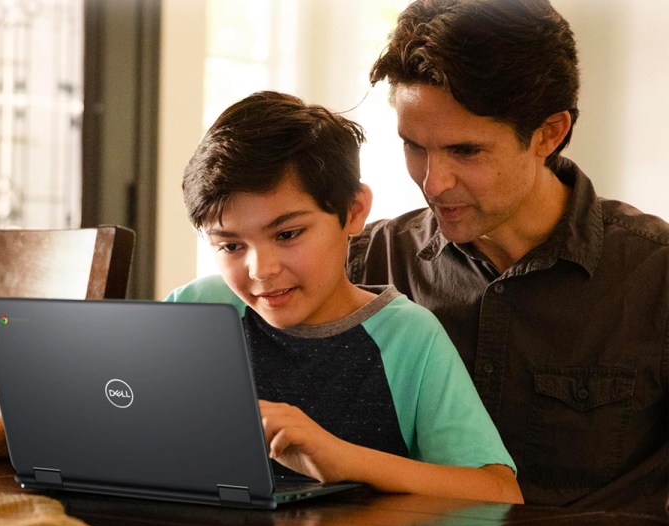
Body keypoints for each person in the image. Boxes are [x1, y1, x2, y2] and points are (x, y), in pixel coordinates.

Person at [346, 0, 668, 517]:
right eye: (414, 147)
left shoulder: (658, 277)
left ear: (549, 133)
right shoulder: (364, 266)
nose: (433, 182)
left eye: (466, 151)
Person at [165, 90, 523, 503]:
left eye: (287, 234)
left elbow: (499, 491)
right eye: (230, 246)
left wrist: (341, 459)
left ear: (354, 212)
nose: (261, 269)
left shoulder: (408, 336)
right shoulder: (198, 309)